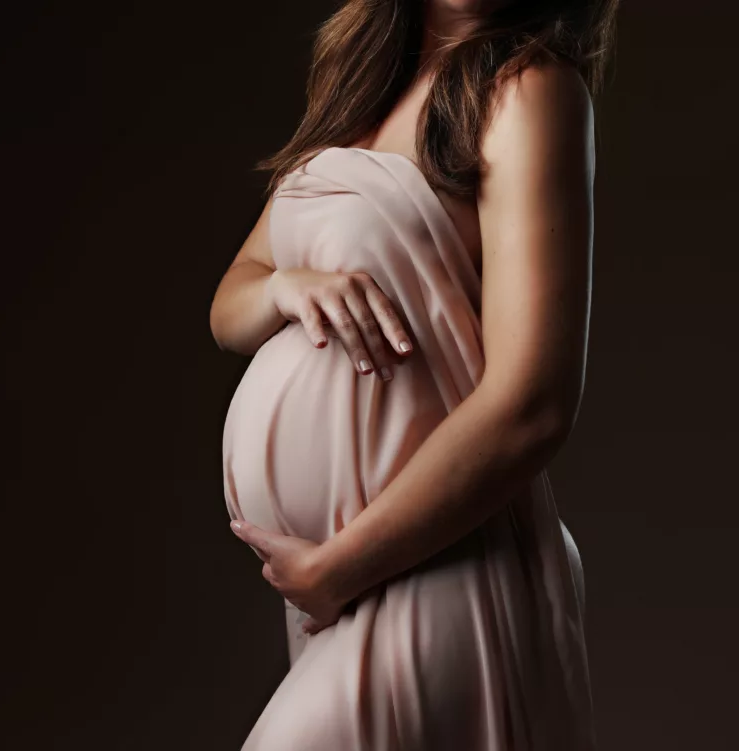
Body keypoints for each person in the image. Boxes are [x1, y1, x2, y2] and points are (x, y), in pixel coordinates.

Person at [210, 0, 618, 747]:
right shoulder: (359, 90)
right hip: (351, 590)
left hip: (439, 566)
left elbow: (533, 404)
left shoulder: (528, 92)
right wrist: (283, 287)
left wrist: (339, 567)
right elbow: (231, 299)